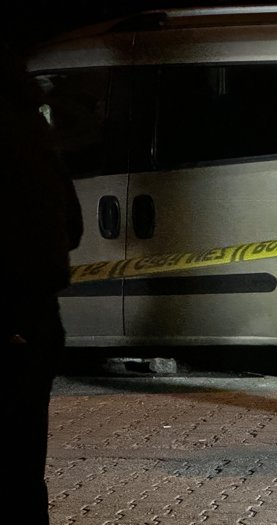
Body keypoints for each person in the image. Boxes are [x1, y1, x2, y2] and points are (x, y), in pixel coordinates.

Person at [1, 43, 83, 523]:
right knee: (24, 467)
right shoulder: (37, 141)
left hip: (9, 318)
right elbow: (73, 227)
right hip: (38, 318)